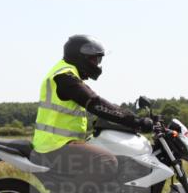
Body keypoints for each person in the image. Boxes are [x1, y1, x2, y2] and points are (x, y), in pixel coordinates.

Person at [31, 35, 154, 181]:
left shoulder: (69, 74)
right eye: (93, 59)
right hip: (53, 146)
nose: (97, 64)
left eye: (98, 60)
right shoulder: (64, 77)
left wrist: (139, 118)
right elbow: (96, 104)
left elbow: (100, 104)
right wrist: (136, 121)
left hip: (61, 143)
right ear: (79, 56)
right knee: (106, 161)